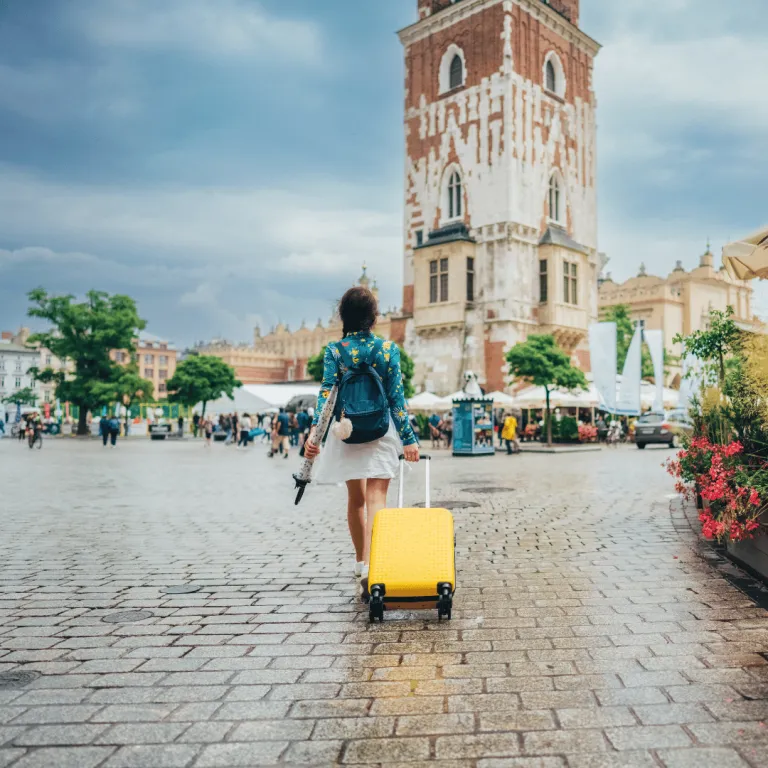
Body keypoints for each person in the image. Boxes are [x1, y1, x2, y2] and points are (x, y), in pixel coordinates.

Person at [304, 285, 419, 587]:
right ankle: (376, 564)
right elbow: (396, 399)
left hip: (347, 430)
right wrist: (408, 438)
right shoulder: (387, 349)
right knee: (376, 497)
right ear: (374, 317)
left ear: (344, 315)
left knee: (355, 499)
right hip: (381, 430)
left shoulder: (335, 351)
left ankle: (361, 562)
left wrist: (314, 436)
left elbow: (326, 396)